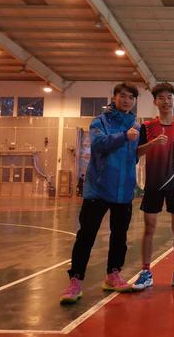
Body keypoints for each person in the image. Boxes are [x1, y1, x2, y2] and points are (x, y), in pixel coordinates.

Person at [60, 82, 140, 304]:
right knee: (86, 236)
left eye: (131, 97)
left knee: (120, 236)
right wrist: (124, 136)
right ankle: (75, 281)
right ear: (114, 98)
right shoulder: (100, 121)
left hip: (123, 190)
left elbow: (134, 156)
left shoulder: (136, 125)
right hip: (98, 189)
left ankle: (113, 275)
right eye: (122, 96)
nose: (126, 100)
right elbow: (98, 145)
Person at [133, 83, 174, 291]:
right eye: (161, 98)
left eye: (169, 97)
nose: (166, 101)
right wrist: (152, 144)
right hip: (153, 184)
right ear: (155, 101)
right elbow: (137, 152)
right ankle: (145, 272)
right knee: (149, 228)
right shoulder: (146, 127)